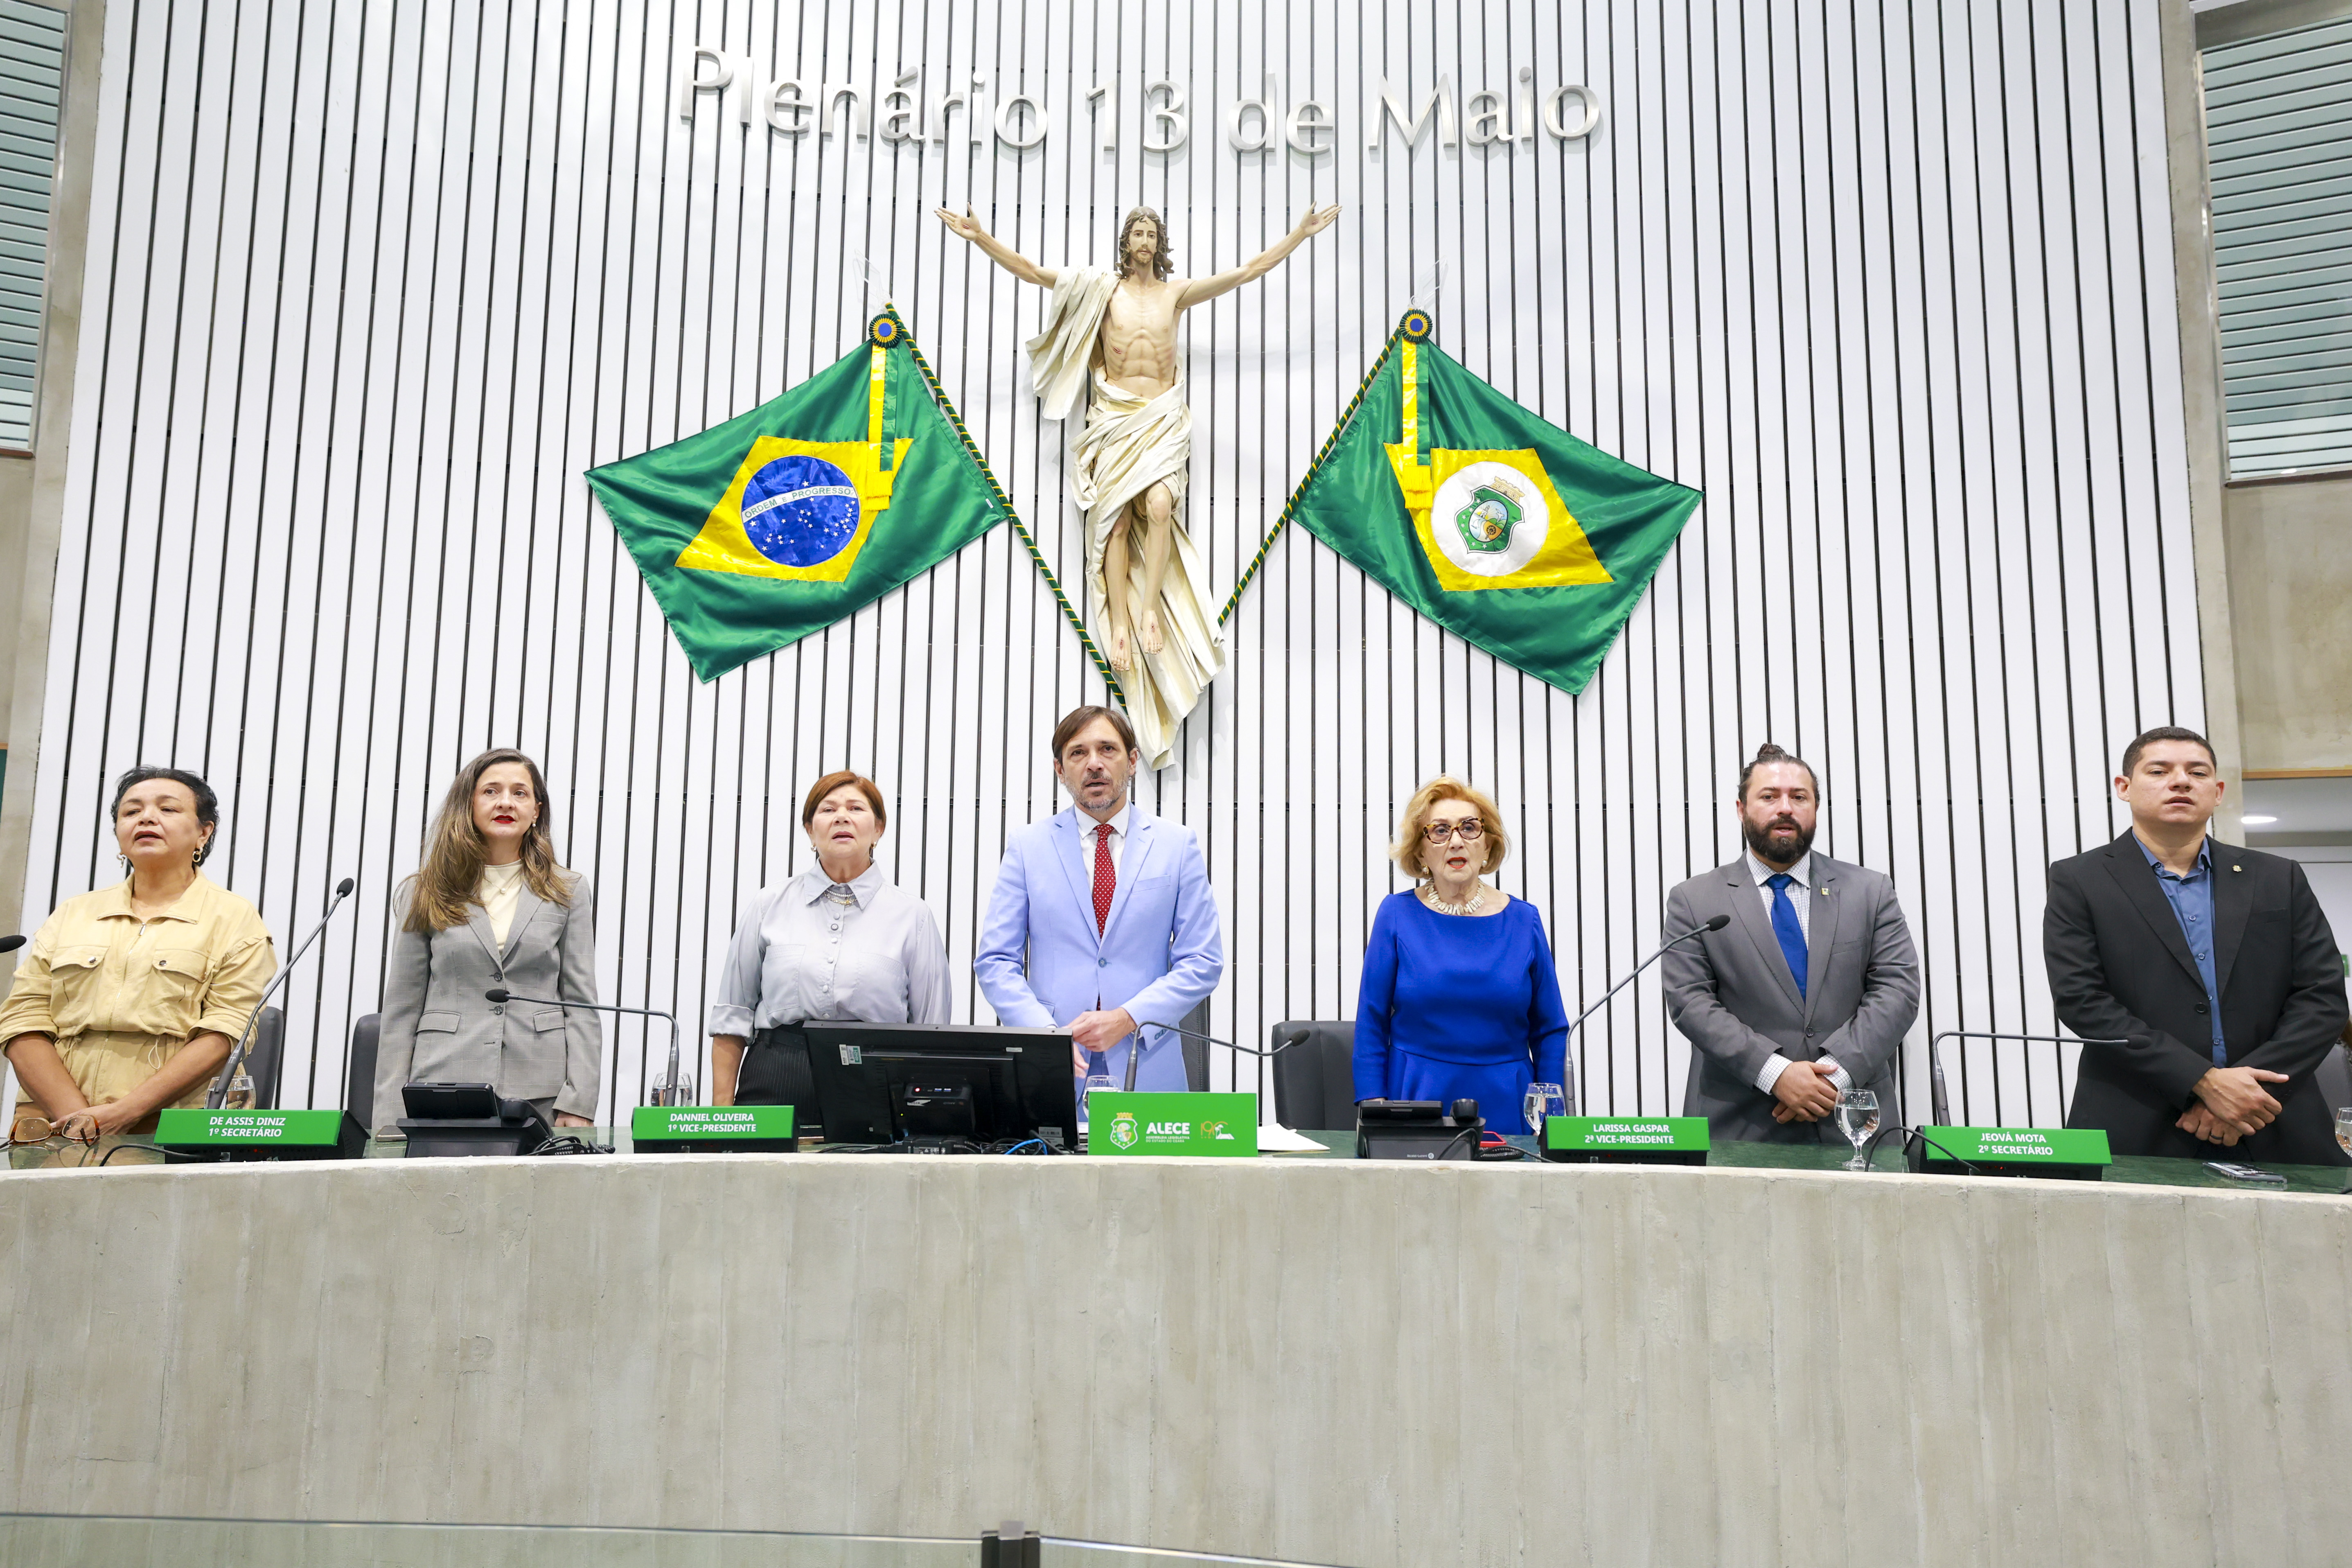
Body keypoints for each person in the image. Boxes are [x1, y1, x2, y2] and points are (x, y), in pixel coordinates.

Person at [934, 202, 1339, 768]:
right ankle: (1120, 620)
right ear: (1125, 242)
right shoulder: (1101, 290)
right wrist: (980, 237)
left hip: (1162, 416)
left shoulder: (1174, 294)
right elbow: (1030, 270)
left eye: (1152, 232)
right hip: (1116, 417)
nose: (1144, 239)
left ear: (1159, 242)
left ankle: (1148, 608)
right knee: (1116, 521)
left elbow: (1247, 272)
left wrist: (1298, 232)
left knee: (1160, 503)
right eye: (1137, 231)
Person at [2047, 725, 2349, 1163]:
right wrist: (2202, 1082)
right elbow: (2082, 1001)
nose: (2180, 781)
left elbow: (2321, 997)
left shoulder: (2276, 877)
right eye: (2159, 770)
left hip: (2271, 1116)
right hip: (2139, 1118)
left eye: (2197, 772)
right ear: (2123, 788)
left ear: (2217, 791)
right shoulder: (2079, 880)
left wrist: (2245, 1092)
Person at [1663, 744, 1921, 1144]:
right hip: (1739, 1127)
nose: (1784, 808)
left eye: (1798, 797)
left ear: (1815, 808)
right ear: (1740, 809)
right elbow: (1690, 1003)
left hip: (1853, 1121)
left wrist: (1831, 1075)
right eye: (1768, 797)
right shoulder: (1694, 900)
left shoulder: (1869, 891)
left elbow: (1897, 990)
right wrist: (1775, 1073)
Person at [1, 767, 276, 1141]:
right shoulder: (74, 913)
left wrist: (122, 1114)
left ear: (204, 831)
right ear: (118, 833)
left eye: (168, 809)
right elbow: (24, 1019)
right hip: (54, 1124)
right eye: (131, 812)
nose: (147, 817)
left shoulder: (234, 918)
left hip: (173, 1126)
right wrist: (77, 1117)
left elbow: (226, 1029)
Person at [974, 705, 1224, 1092]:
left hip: (1148, 1065)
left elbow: (1202, 960)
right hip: (1051, 1067)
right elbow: (995, 962)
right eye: (1078, 753)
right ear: (1060, 770)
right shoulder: (1027, 848)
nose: (1094, 764)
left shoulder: (1176, 846)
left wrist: (1128, 1017)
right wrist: (1045, 1035)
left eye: (1108, 749)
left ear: (1132, 761)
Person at [373, 749, 600, 1136]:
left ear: (536, 811)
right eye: (491, 791)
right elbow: (401, 1010)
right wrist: (389, 1116)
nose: (506, 802)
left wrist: (579, 1102)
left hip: (540, 1092)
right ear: (469, 805)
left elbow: (580, 1004)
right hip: (442, 1083)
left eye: (520, 793)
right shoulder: (424, 890)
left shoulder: (568, 890)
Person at [707, 771, 952, 1117]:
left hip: (874, 1080)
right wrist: (722, 1117)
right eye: (827, 809)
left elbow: (931, 1031)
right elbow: (732, 1017)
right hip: (775, 1075)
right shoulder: (768, 905)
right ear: (810, 830)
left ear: (878, 829)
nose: (841, 817)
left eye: (856, 808)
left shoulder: (914, 916)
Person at [1352, 777, 1569, 1134]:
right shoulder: (1395, 914)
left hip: (1509, 1099)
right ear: (1421, 852)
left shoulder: (1524, 919)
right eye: (1439, 830)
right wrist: (1374, 1106)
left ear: (1487, 845)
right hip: (1416, 1097)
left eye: (1469, 828)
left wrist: (1549, 1114)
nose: (1456, 840)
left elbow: (1550, 1028)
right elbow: (1371, 1021)